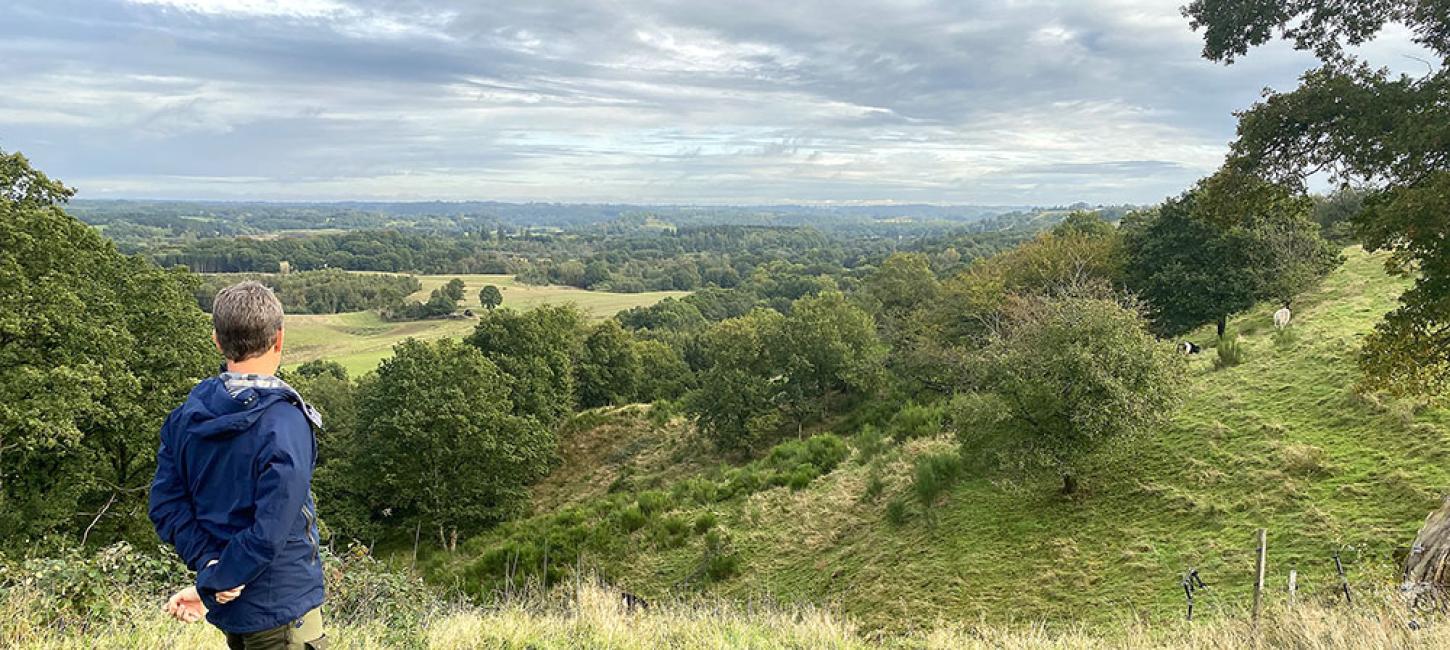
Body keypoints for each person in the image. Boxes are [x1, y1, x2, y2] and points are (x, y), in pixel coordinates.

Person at [148, 281, 327, 649]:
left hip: (236, 614)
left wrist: (211, 566)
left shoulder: (185, 418)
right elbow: (268, 534)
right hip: (282, 613)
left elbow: (166, 505)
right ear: (279, 339)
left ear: (217, 340)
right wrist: (214, 582)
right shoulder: (286, 424)